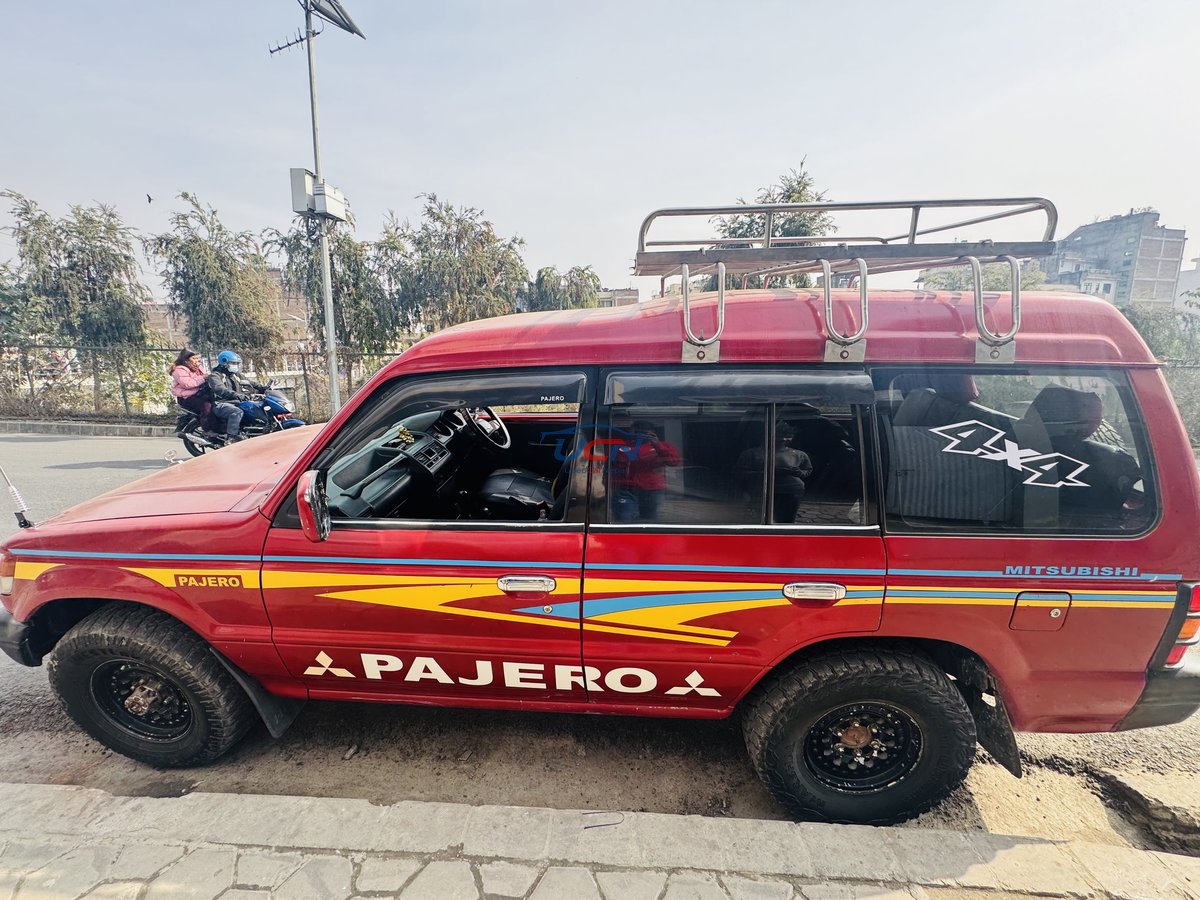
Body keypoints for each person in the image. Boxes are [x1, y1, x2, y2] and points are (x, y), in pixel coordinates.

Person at [736, 424, 814, 524]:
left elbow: (807, 470)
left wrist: (798, 472)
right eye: (778, 435)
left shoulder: (800, 454)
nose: (783, 439)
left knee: (787, 520)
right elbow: (740, 473)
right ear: (768, 435)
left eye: (788, 435)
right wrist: (765, 473)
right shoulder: (752, 453)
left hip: (792, 491)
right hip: (761, 491)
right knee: (759, 521)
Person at [611, 418, 681, 522]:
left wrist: (657, 445)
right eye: (637, 431)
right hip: (626, 489)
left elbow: (674, 462)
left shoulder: (663, 446)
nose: (640, 435)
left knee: (649, 522)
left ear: (653, 433)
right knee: (623, 522)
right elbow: (612, 466)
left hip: (652, 490)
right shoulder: (621, 446)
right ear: (631, 431)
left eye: (644, 432)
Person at [202, 350, 261, 443]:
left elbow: (250, 382)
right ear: (224, 362)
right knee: (236, 412)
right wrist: (236, 395)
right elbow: (220, 389)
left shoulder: (235, 375)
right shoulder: (215, 376)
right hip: (221, 403)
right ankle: (231, 438)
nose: (236, 366)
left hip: (235, 402)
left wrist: (263, 388)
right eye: (233, 363)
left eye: (237, 364)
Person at [169, 349, 214, 426]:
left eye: (197, 358)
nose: (196, 360)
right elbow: (187, 384)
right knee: (207, 407)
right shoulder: (179, 370)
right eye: (193, 358)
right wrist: (203, 378)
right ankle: (208, 429)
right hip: (187, 398)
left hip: (199, 394)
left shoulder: (198, 367)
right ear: (186, 360)